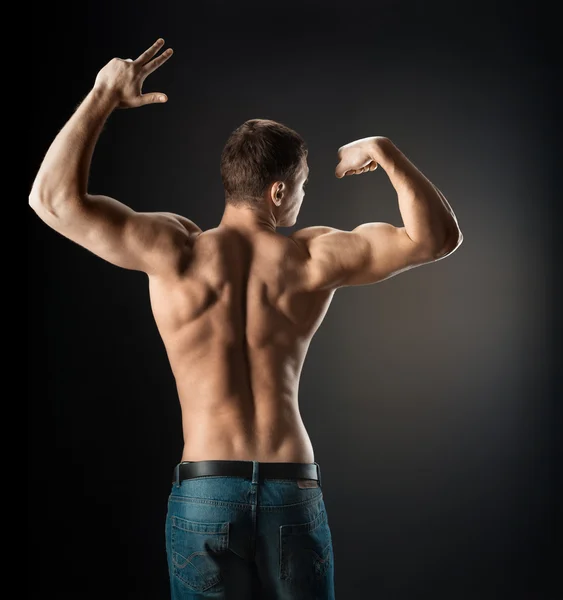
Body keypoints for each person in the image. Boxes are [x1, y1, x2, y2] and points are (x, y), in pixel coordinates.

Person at [29, 38, 463, 600]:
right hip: (290, 485)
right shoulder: (311, 257)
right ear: (278, 190)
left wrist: (102, 97)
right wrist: (385, 152)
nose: (303, 199)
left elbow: (52, 201)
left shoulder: (175, 251)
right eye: (302, 187)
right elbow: (437, 238)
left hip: (205, 488)